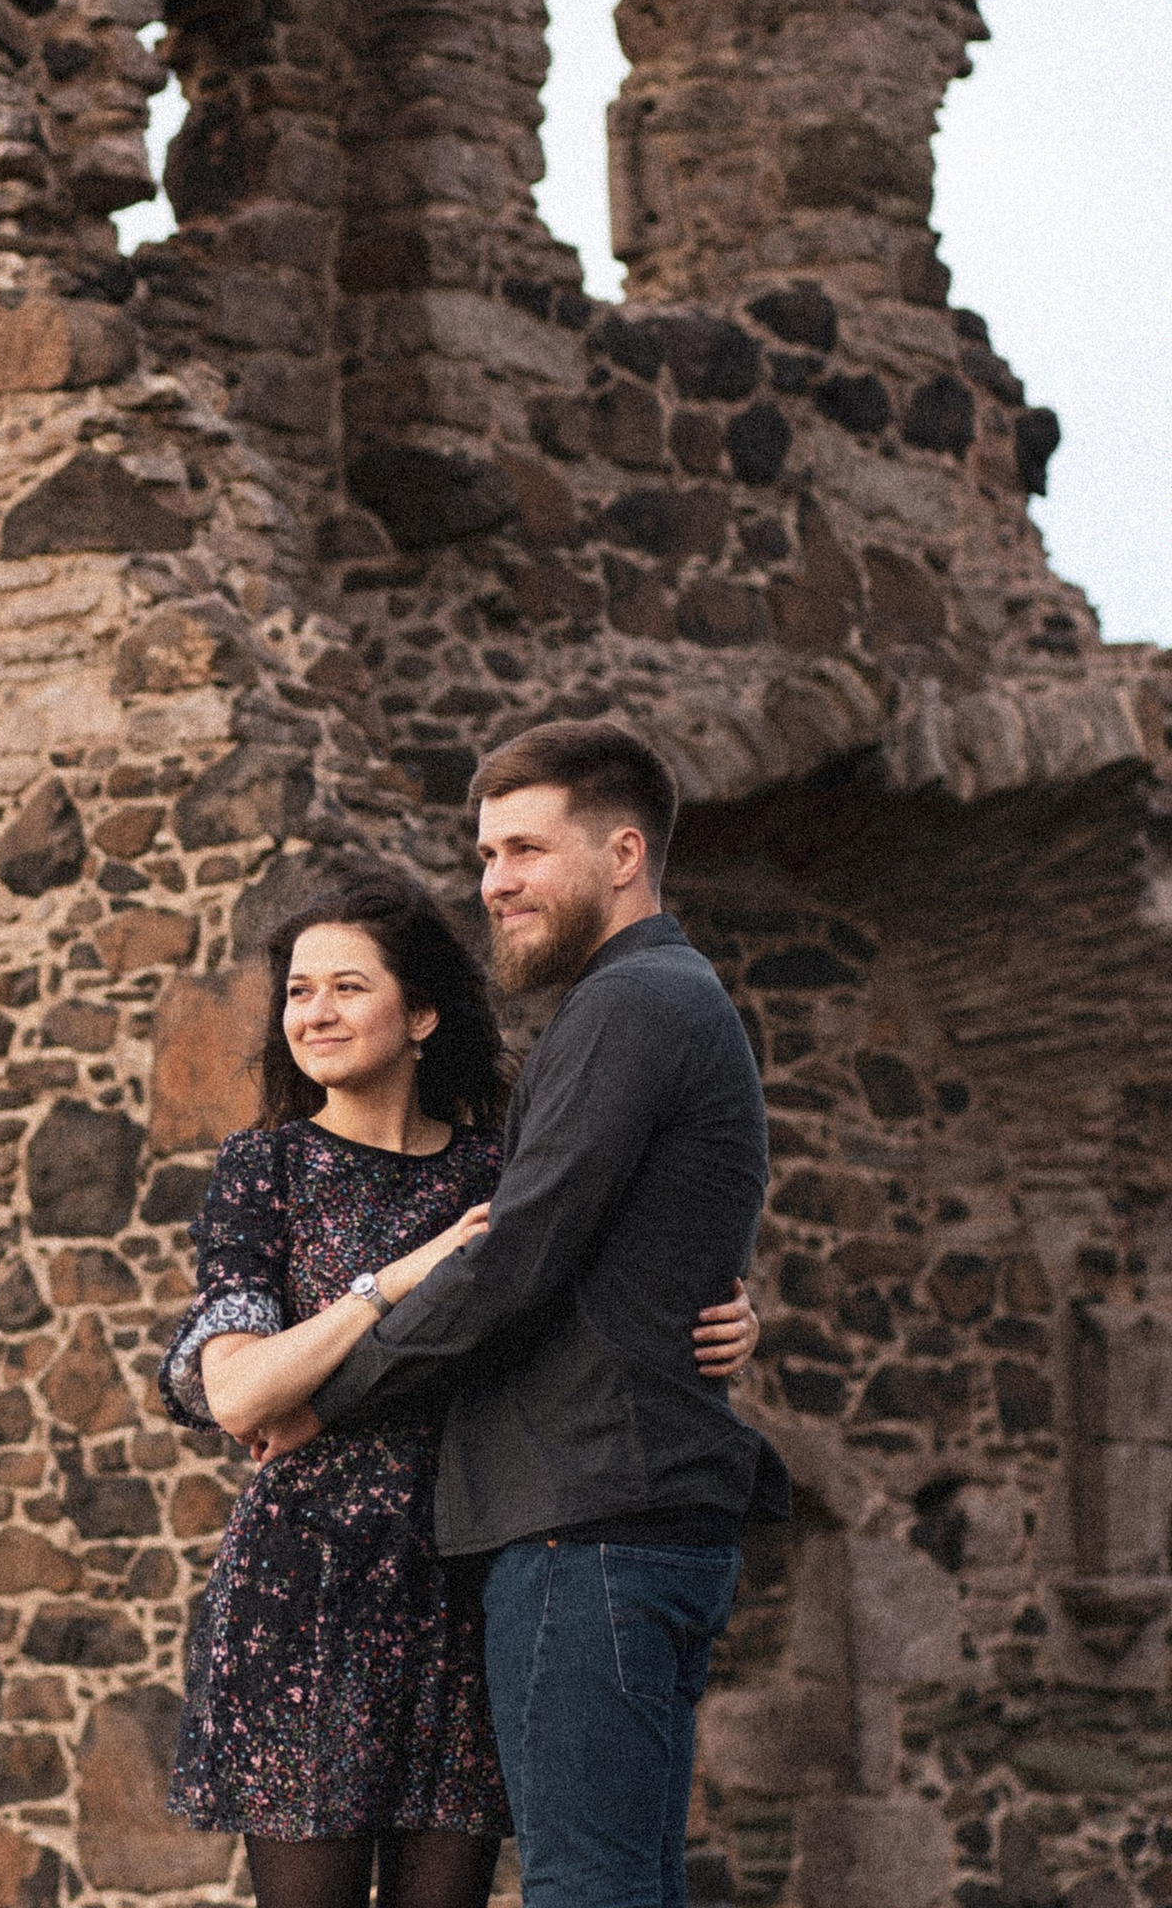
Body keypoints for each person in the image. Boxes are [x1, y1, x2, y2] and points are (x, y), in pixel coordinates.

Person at [156, 870, 759, 1908]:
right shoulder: (267, 1168)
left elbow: (591, 1286)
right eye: (297, 992)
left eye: (346, 986)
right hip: (306, 1595)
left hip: (465, 1583)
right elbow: (239, 1392)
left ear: (422, 1011)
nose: (314, 1012)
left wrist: (727, 1317)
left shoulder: (497, 1170)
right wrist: (383, 1284)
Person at [307, 719, 791, 1908]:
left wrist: (326, 1393)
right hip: (622, 1521)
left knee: (588, 1891)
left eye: (524, 850)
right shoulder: (658, 1001)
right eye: (483, 856)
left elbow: (517, 1258)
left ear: (623, 852)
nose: (494, 884)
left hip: (590, 1529)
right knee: (624, 1888)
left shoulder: (630, 1005)